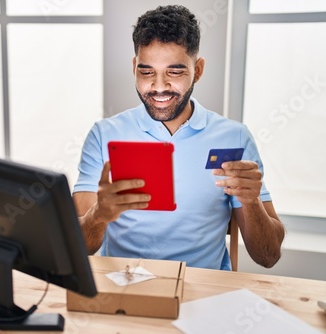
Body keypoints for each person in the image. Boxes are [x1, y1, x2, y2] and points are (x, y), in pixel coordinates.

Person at [72, 5, 285, 270]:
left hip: (205, 291)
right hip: (125, 289)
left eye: (174, 72)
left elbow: (268, 256)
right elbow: (77, 247)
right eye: (146, 71)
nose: (159, 86)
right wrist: (99, 215)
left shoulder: (235, 137)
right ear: (134, 67)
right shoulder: (104, 134)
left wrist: (251, 201)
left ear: (198, 70)